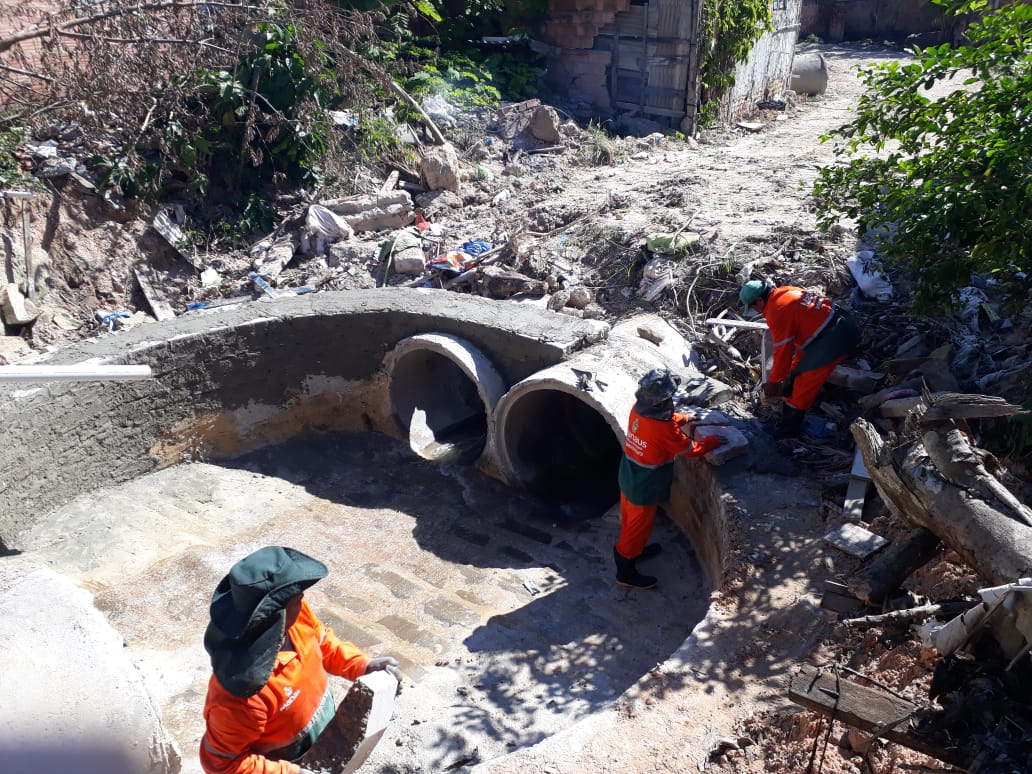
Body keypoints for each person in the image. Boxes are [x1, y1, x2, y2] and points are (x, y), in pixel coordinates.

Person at [200, 546, 402, 774]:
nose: (303, 599)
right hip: (284, 763)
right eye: (297, 599)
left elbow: (323, 642)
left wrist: (362, 666)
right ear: (274, 618)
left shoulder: (294, 615)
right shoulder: (239, 698)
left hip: (324, 737)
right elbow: (222, 764)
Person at [615, 368, 723, 590]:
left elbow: (664, 420)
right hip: (644, 486)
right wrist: (713, 442)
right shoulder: (664, 429)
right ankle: (625, 571)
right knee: (637, 528)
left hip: (629, 476)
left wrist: (684, 417)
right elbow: (690, 449)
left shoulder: (639, 410)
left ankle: (635, 551)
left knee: (630, 521)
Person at [739, 279, 860, 438]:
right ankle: (793, 397)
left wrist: (774, 382)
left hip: (835, 338)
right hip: (836, 324)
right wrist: (785, 377)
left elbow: (783, 352)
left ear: (760, 300)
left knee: (803, 382)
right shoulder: (783, 292)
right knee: (796, 370)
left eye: (753, 306)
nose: (755, 310)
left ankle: (789, 429)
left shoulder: (777, 311)